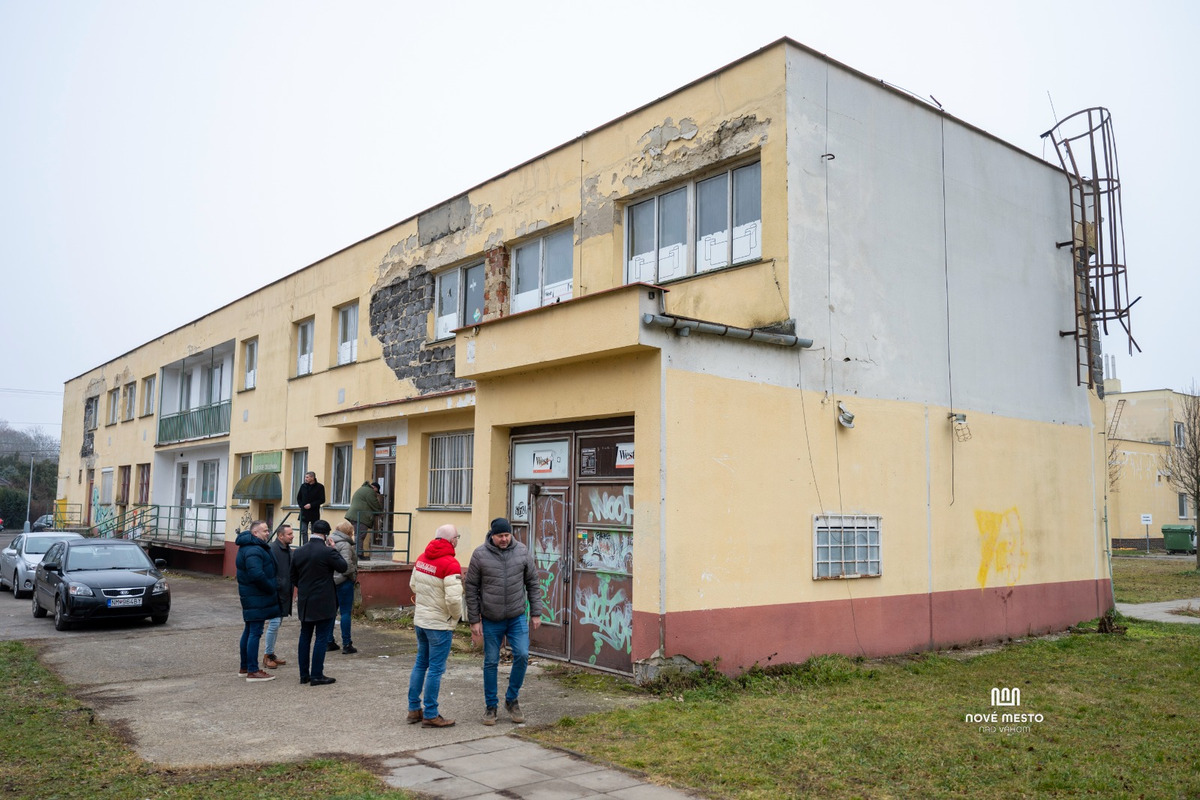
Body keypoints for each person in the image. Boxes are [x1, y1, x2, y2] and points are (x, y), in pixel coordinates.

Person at [464, 517, 542, 725]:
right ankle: (491, 707)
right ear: (492, 535)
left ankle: (512, 699)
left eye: (507, 535)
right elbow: (470, 588)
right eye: (500, 536)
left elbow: (532, 582)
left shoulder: (522, 552)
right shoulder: (480, 555)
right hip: (491, 618)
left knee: (523, 655)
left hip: (516, 616)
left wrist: (536, 612)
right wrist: (474, 619)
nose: (504, 539)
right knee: (490, 662)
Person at [407, 524, 465, 728]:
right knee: (435, 670)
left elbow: (413, 585)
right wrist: (455, 617)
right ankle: (431, 713)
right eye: (457, 537)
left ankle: (414, 709)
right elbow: (455, 600)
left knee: (420, 664)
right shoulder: (451, 564)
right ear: (451, 540)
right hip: (439, 624)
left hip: (421, 621)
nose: (458, 540)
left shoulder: (422, 558)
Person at [290, 519, 347, 686]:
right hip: (324, 600)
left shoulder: (299, 551)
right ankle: (316, 675)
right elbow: (343, 567)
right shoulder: (327, 552)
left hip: (305, 600)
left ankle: (303, 674)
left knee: (305, 636)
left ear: (312, 531)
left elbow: (293, 575)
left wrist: (303, 587)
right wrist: (334, 549)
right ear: (326, 534)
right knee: (321, 637)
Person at [235, 520, 282, 682]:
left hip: (253, 596)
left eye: (268, 530)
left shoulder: (251, 547)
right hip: (257, 596)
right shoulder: (253, 549)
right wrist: (271, 587)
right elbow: (256, 574)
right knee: (254, 631)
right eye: (264, 531)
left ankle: (245, 667)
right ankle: (252, 670)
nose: (268, 533)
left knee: (249, 630)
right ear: (255, 533)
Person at [262, 524, 295, 670]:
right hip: (276, 592)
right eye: (289, 534)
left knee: (277, 624)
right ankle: (267, 655)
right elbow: (268, 571)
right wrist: (277, 585)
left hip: (284, 593)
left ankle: (271, 653)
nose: (292, 536)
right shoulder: (272, 550)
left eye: (292, 533)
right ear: (280, 536)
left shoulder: (288, 550)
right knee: (274, 624)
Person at [329, 520, 359, 654]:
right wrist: (353, 575)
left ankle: (329, 641)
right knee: (345, 613)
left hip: (331, 581)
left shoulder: (329, 542)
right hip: (343, 581)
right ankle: (347, 643)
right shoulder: (346, 545)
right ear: (349, 532)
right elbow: (346, 566)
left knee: (331, 613)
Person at [345, 480, 382, 559]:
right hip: (360, 516)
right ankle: (359, 555)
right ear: (374, 488)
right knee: (360, 535)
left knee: (358, 535)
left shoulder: (363, 489)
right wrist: (380, 512)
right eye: (377, 492)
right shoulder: (370, 492)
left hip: (355, 515)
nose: (376, 494)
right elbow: (374, 503)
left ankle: (356, 554)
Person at [296, 471, 326, 544]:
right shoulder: (303, 486)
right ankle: (305, 545)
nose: (305, 479)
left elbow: (322, 499)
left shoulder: (320, 487)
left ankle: (313, 545)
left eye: (307, 477)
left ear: (312, 478)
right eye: (305, 477)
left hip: (314, 512)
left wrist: (311, 505)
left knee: (314, 531)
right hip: (304, 512)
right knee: (303, 531)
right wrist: (302, 506)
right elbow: (298, 498)